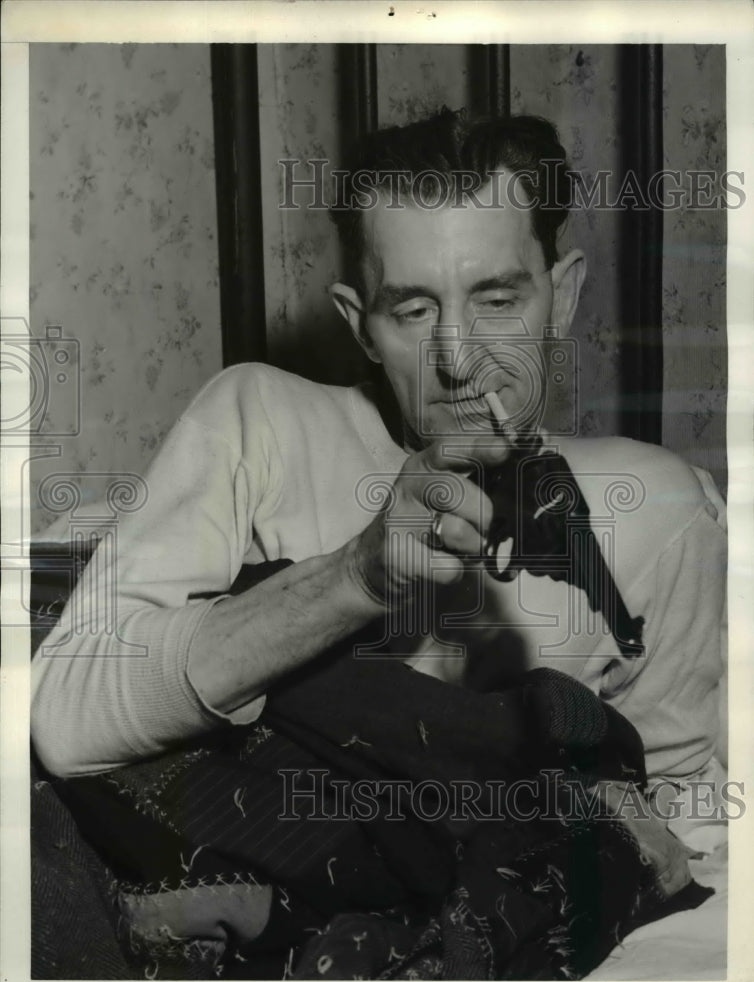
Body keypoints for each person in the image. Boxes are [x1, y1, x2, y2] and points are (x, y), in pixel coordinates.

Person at [31, 111, 726, 841]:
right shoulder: (259, 421)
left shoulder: (659, 509)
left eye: (497, 301)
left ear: (565, 295)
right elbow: (64, 721)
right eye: (414, 310)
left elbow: (674, 819)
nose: (459, 360)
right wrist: (353, 579)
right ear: (360, 324)